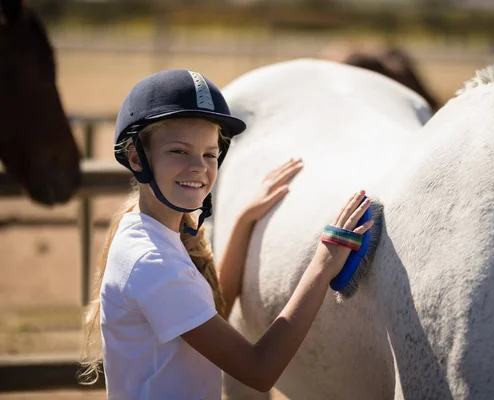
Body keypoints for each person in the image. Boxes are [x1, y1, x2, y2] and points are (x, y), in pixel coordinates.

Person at [79, 69, 373, 399]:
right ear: (136, 158)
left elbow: (212, 314)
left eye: (209, 154)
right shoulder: (153, 263)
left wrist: (244, 220)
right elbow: (259, 370)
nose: (199, 167)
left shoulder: (148, 232)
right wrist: (323, 264)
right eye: (179, 151)